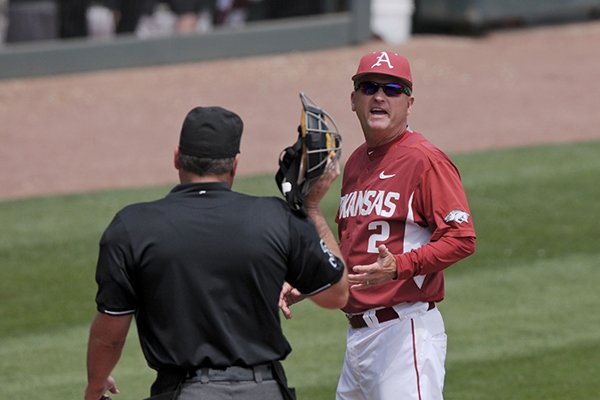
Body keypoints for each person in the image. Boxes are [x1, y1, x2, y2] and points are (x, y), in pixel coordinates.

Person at [84, 106, 349, 400]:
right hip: (264, 391)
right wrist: (310, 209)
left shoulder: (132, 226)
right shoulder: (276, 218)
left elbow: (110, 334)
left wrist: (95, 387)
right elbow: (337, 294)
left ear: (176, 157)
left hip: (185, 393)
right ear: (235, 164)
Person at [282, 51, 476, 400]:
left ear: (409, 102)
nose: (380, 96)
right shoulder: (356, 163)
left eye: (393, 88)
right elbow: (354, 252)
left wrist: (399, 266)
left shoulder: (424, 159)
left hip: (404, 336)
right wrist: (308, 283)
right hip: (358, 341)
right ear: (353, 99)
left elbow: (462, 238)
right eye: (369, 86)